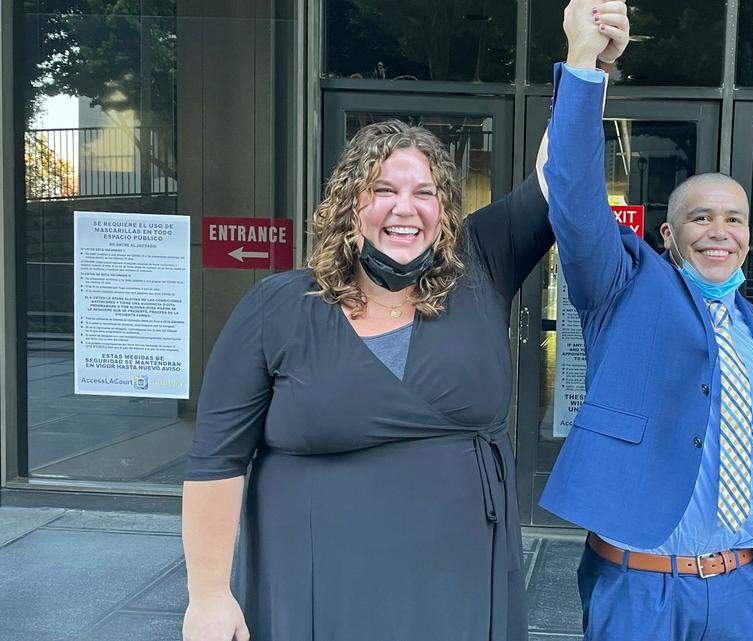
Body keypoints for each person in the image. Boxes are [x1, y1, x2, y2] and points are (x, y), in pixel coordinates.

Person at [179, 5, 630, 640]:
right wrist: (207, 595)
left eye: (425, 193)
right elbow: (216, 460)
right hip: (319, 585)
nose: (405, 208)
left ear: (445, 210)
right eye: (384, 189)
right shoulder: (278, 306)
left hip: (459, 579)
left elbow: (561, 175)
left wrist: (588, 60)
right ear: (349, 203)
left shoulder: (481, 262)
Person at [536, 9, 753, 638]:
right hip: (640, 591)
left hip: (746, 591)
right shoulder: (623, 291)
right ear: (669, 235)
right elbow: (574, 196)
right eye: (701, 218)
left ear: (749, 238)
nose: (720, 232)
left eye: (734, 219)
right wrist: (587, 64)